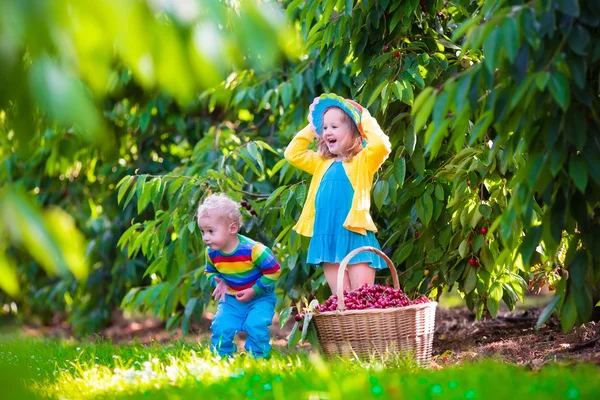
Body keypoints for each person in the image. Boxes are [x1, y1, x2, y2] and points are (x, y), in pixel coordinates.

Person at [284, 93, 391, 295]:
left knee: (362, 297)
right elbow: (292, 153)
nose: (327, 132)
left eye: (334, 127)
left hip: (354, 233)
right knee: (340, 299)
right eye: (324, 128)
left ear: (353, 131)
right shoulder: (321, 162)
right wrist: (312, 127)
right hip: (327, 235)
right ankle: (346, 328)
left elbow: (382, 145)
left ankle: (366, 328)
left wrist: (364, 118)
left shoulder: (362, 161)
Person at [198, 193, 281, 358]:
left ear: (232, 228)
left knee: (256, 325)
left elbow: (274, 271)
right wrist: (219, 283)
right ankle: (222, 357)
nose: (206, 237)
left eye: (211, 231)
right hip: (231, 299)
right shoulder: (212, 253)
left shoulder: (254, 250)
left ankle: (258, 358)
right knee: (221, 326)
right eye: (203, 232)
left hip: (259, 298)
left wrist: (254, 290)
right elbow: (210, 272)